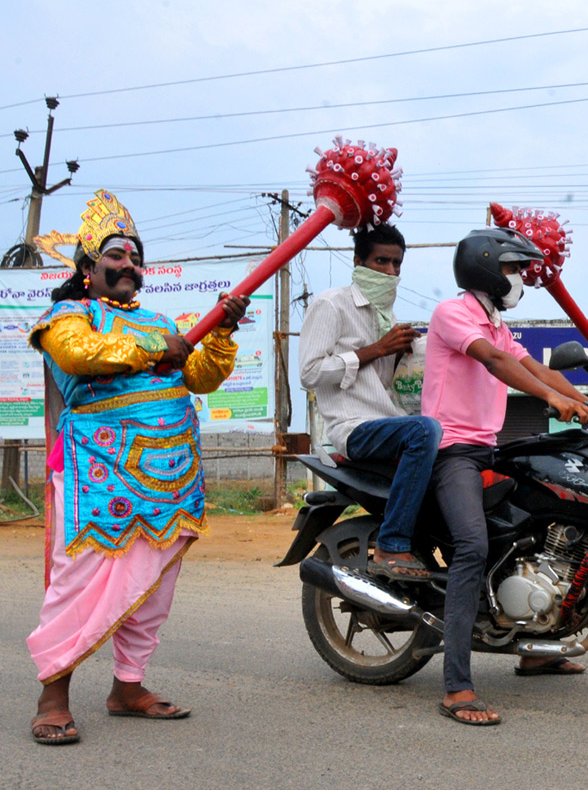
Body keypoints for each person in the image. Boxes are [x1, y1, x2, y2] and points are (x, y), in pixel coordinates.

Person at [27, 190, 247, 744]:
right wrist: (157, 352)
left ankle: (128, 686)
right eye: (116, 256)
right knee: (78, 585)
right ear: (86, 267)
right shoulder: (66, 316)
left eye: (135, 257)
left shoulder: (156, 320)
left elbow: (198, 377)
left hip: (167, 476)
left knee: (153, 586)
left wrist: (220, 332)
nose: (129, 265)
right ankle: (53, 697)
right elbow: (79, 357)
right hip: (97, 473)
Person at [422, 227, 588, 725]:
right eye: (512, 269)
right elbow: (496, 363)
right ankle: (456, 687)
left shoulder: (497, 324)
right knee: (472, 546)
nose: (518, 278)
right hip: (451, 451)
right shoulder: (454, 313)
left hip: (488, 449)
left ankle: (535, 646)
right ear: (484, 269)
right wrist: (552, 401)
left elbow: (535, 368)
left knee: (545, 517)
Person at [299, 223, 442, 579]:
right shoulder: (331, 305)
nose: (391, 272)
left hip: (385, 421)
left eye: (397, 264)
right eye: (381, 262)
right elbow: (309, 373)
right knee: (425, 431)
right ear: (358, 261)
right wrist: (376, 349)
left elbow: (379, 384)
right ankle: (392, 544)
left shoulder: (385, 316)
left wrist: (400, 355)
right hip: (353, 428)